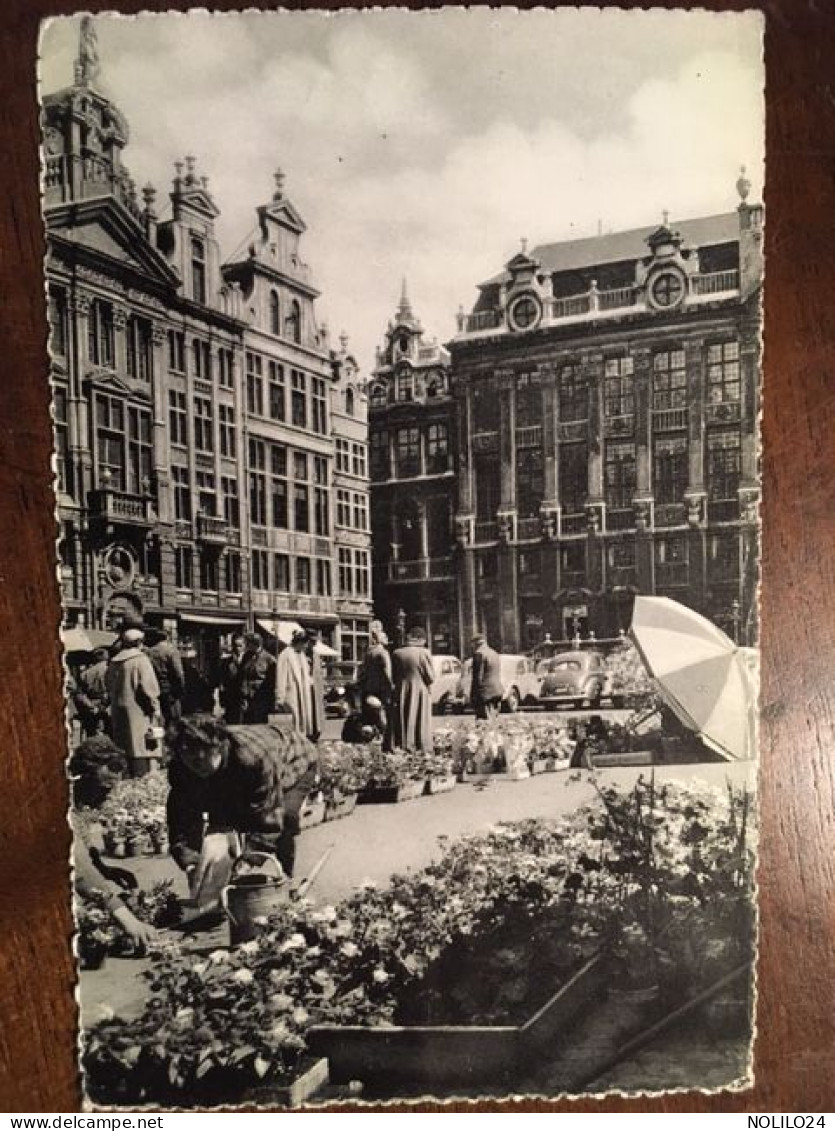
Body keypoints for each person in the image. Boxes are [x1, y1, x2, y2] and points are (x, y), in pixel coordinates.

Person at [166, 713, 319, 884]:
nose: (195, 768)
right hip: (241, 765)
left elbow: (270, 816)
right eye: (189, 761)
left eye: (200, 761)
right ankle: (218, 888)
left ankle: (286, 879)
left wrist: (249, 860)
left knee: (286, 816)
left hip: (294, 758)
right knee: (224, 819)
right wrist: (191, 862)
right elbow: (181, 821)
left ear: (217, 746)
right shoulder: (181, 767)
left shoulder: (253, 758)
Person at [70, 735, 158, 950]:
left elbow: (85, 857)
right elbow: (78, 867)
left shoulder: (79, 806)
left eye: (111, 789)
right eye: (103, 789)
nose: (107, 796)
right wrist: (129, 921)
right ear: (81, 778)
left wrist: (104, 870)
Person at [105, 627, 160, 775]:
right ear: (139, 642)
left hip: (118, 709)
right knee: (141, 747)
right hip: (139, 710)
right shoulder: (141, 660)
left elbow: (108, 684)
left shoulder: (114, 662)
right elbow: (149, 688)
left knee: (123, 747)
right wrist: (155, 708)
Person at [390, 626, 434, 753]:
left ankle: (404, 745)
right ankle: (422, 746)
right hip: (420, 690)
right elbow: (430, 677)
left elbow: (393, 674)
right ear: (420, 639)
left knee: (404, 717)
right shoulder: (424, 653)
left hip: (402, 690)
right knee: (421, 718)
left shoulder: (397, 653)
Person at [276, 630, 320, 740]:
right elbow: (280, 677)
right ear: (299, 642)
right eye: (305, 644)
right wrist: (280, 698)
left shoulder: (301, 655)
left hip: (303, 692)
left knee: (303, 719)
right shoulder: (285, 655)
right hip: (291, 692)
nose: (306, 647)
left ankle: (302, 739)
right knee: (294, 720)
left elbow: (306, 674)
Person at [144, 628, 185, 727]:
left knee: (159, 720)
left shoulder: (149, 652)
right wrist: (181, 689)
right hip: (171, 690)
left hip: (155, 689)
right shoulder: (171, 650)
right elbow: (178, 672)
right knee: (174, 721)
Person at [238, 632, 277, 724]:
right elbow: (243, 675)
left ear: (254, 644)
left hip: (261, 697)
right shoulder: (246, 656)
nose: (246, 646)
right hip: (247, 696)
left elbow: (271, 681)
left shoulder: (269, 658)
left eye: (248, 643)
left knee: (259, 723)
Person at [359, 625, 393, 730]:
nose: (387, 638)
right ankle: (385, 733)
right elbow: (387, 672)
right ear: (380, 639)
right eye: (385, 637)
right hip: (381, 687)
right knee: (383, 711)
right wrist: (391, 685)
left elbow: (363, 670)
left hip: (369, 686)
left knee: (372, 712)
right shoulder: (383, 653)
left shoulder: (369, 652)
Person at [74, 648, 110, 737]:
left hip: (91, 706)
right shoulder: (111, 670)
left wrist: (91, 706)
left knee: (93, 734)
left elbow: (79, 694)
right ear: (106, 657)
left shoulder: (84, 674)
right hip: (108, 705)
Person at [470, 633, 504, 720]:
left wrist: (473, 696)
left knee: (483, 723)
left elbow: (477, 677)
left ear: (476, 643)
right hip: (497, 691)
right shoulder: (494, 653)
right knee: (493, 720)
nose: (472, 646)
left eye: (472, 643)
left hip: (484, 694)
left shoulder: (479, 654)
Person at [218, 634, 246, 724]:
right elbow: (222, 682)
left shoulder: (248, 660)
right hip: (231, 698)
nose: (238, 648)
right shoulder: (226, 662)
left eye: (240, 646)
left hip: (244, 697)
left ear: (244, 646)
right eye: (235, 646)